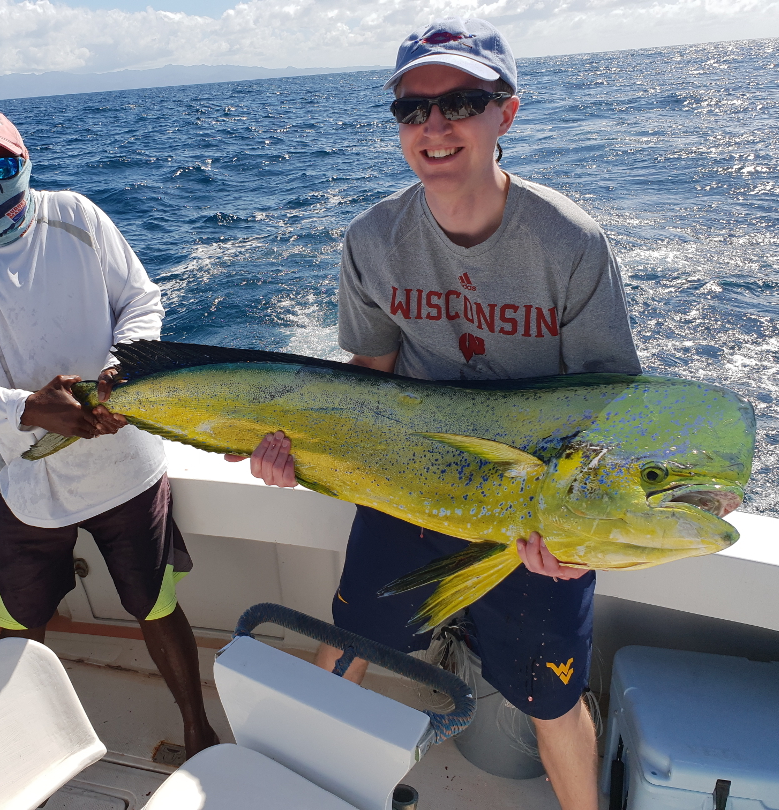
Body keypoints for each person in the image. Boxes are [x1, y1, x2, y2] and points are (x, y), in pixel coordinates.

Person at [232, 19, 640, 810]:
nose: (434, 126)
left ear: (506, 115)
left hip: (529, 515)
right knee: (347, 641)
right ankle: (281, 784)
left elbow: (610, 415)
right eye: (412, 110)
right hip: (410, 488)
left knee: (552, 697)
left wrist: (581, 538)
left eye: (460, 102)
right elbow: (366, 381)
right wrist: (294, 454)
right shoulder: (374, 239)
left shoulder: (572, 244)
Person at [0, 107, 218, 756]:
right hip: (25, 477)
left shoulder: (77, 215)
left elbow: (140, 300)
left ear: (27, 163)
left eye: (1, 164)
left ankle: (199, 734)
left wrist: (120, 373)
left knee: (154, 603)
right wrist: (28, 409)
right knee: (20, 619)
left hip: (124, 460)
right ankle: (23, 751)